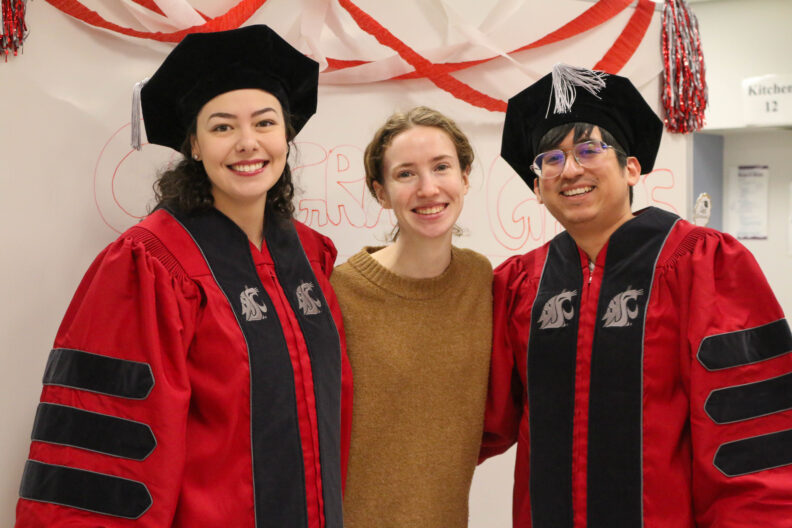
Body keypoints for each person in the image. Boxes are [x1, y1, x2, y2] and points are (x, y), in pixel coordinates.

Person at [15, 25, 352, 528]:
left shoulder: (309, 256)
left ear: (287, 134)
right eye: (221, 127)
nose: (247, 143)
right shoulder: (150, 265)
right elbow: (110, 454)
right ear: (193, 144)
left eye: (265, 122)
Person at [482, 64, 792, 528]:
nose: (570, 169)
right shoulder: (519, 284)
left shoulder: (702, 264)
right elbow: (480, 421)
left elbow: (750, 436)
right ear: (537, 187)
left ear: (631, 168)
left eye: (589, 149)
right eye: (551, 158)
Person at [331, 106, 492, 527]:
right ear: (380, 192)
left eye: (442, 167)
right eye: (405, 174)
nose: (428, 188)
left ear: (465, 177)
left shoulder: (482, 281)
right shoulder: (338, 293)